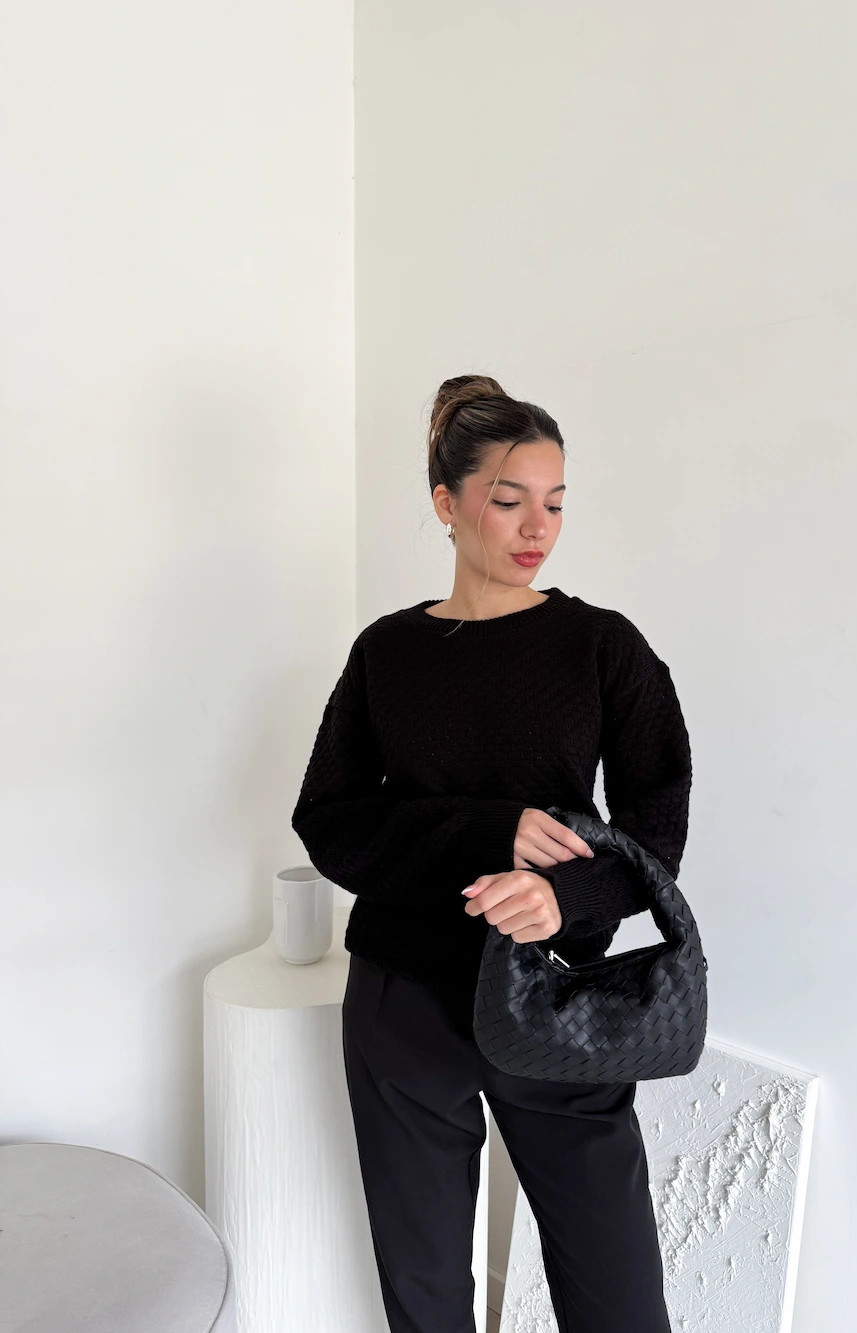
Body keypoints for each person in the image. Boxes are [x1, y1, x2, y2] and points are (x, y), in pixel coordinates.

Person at [291, 374, 692, 1333]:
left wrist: (570, 896)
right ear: (447, 501)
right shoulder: (387, 652)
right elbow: (330, 818)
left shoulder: (602, 646)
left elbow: (658, 818)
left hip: (559, 996)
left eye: (555, 502)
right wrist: (487, 828)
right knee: (424, 1294)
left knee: (620, 1296)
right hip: (402, 1000)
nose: (537, 526)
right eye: (509, 500)